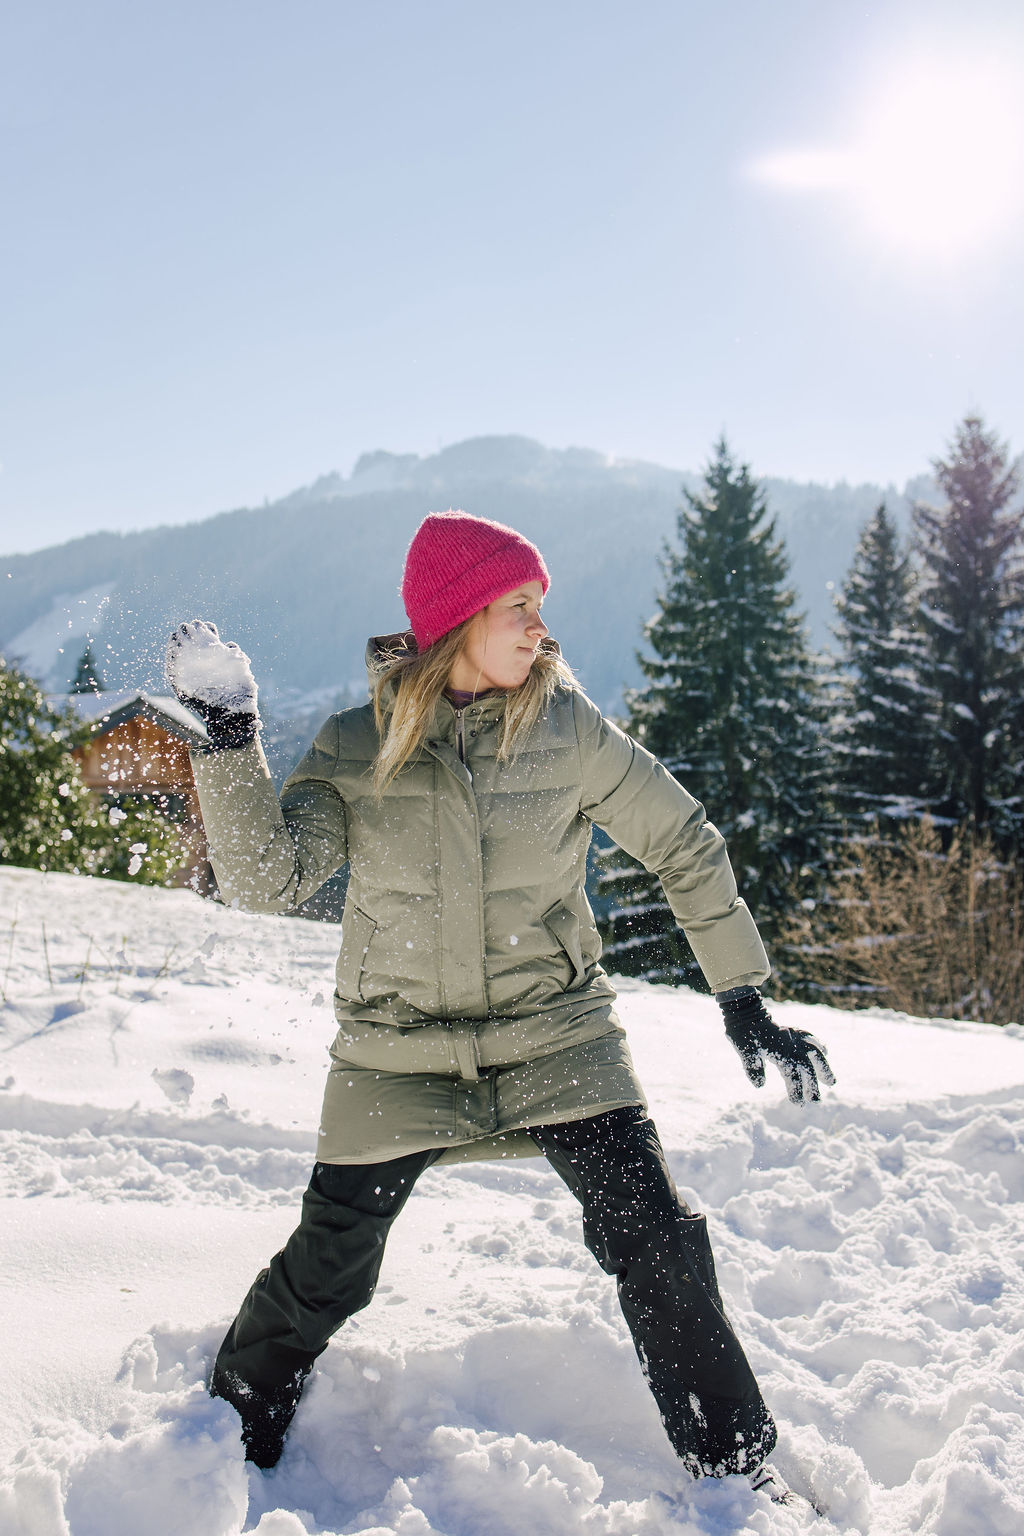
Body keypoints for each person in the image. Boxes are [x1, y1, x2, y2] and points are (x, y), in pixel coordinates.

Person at [165, 509, 834, 1499]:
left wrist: (740, 991)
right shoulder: (359, 746)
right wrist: (230, 743)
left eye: (539, 608)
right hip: (397, 1052)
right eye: (516, 607)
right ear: (454, 621)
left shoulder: (567, 728)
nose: (537, 629)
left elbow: (682, 841)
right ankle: (219, 1442)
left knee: (655, 1239)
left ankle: (735, 1466)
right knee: (329, 1269)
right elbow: (270, 878)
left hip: (553, 1035)